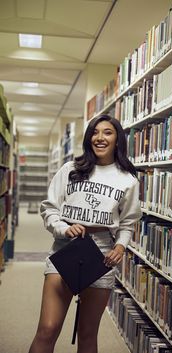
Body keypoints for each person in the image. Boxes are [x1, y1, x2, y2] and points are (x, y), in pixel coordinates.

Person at [28, 114, 142, 353]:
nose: (100, 137)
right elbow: (49, 209)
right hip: (65, 248)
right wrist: (64, 228)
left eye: (107, 132)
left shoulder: (127, 180)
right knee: (47, 329)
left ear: (118, 139)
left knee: (88, 334)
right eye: (95, 132)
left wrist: (120, 247)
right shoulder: (70, 169)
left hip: (101, 255)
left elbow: (128, 222)